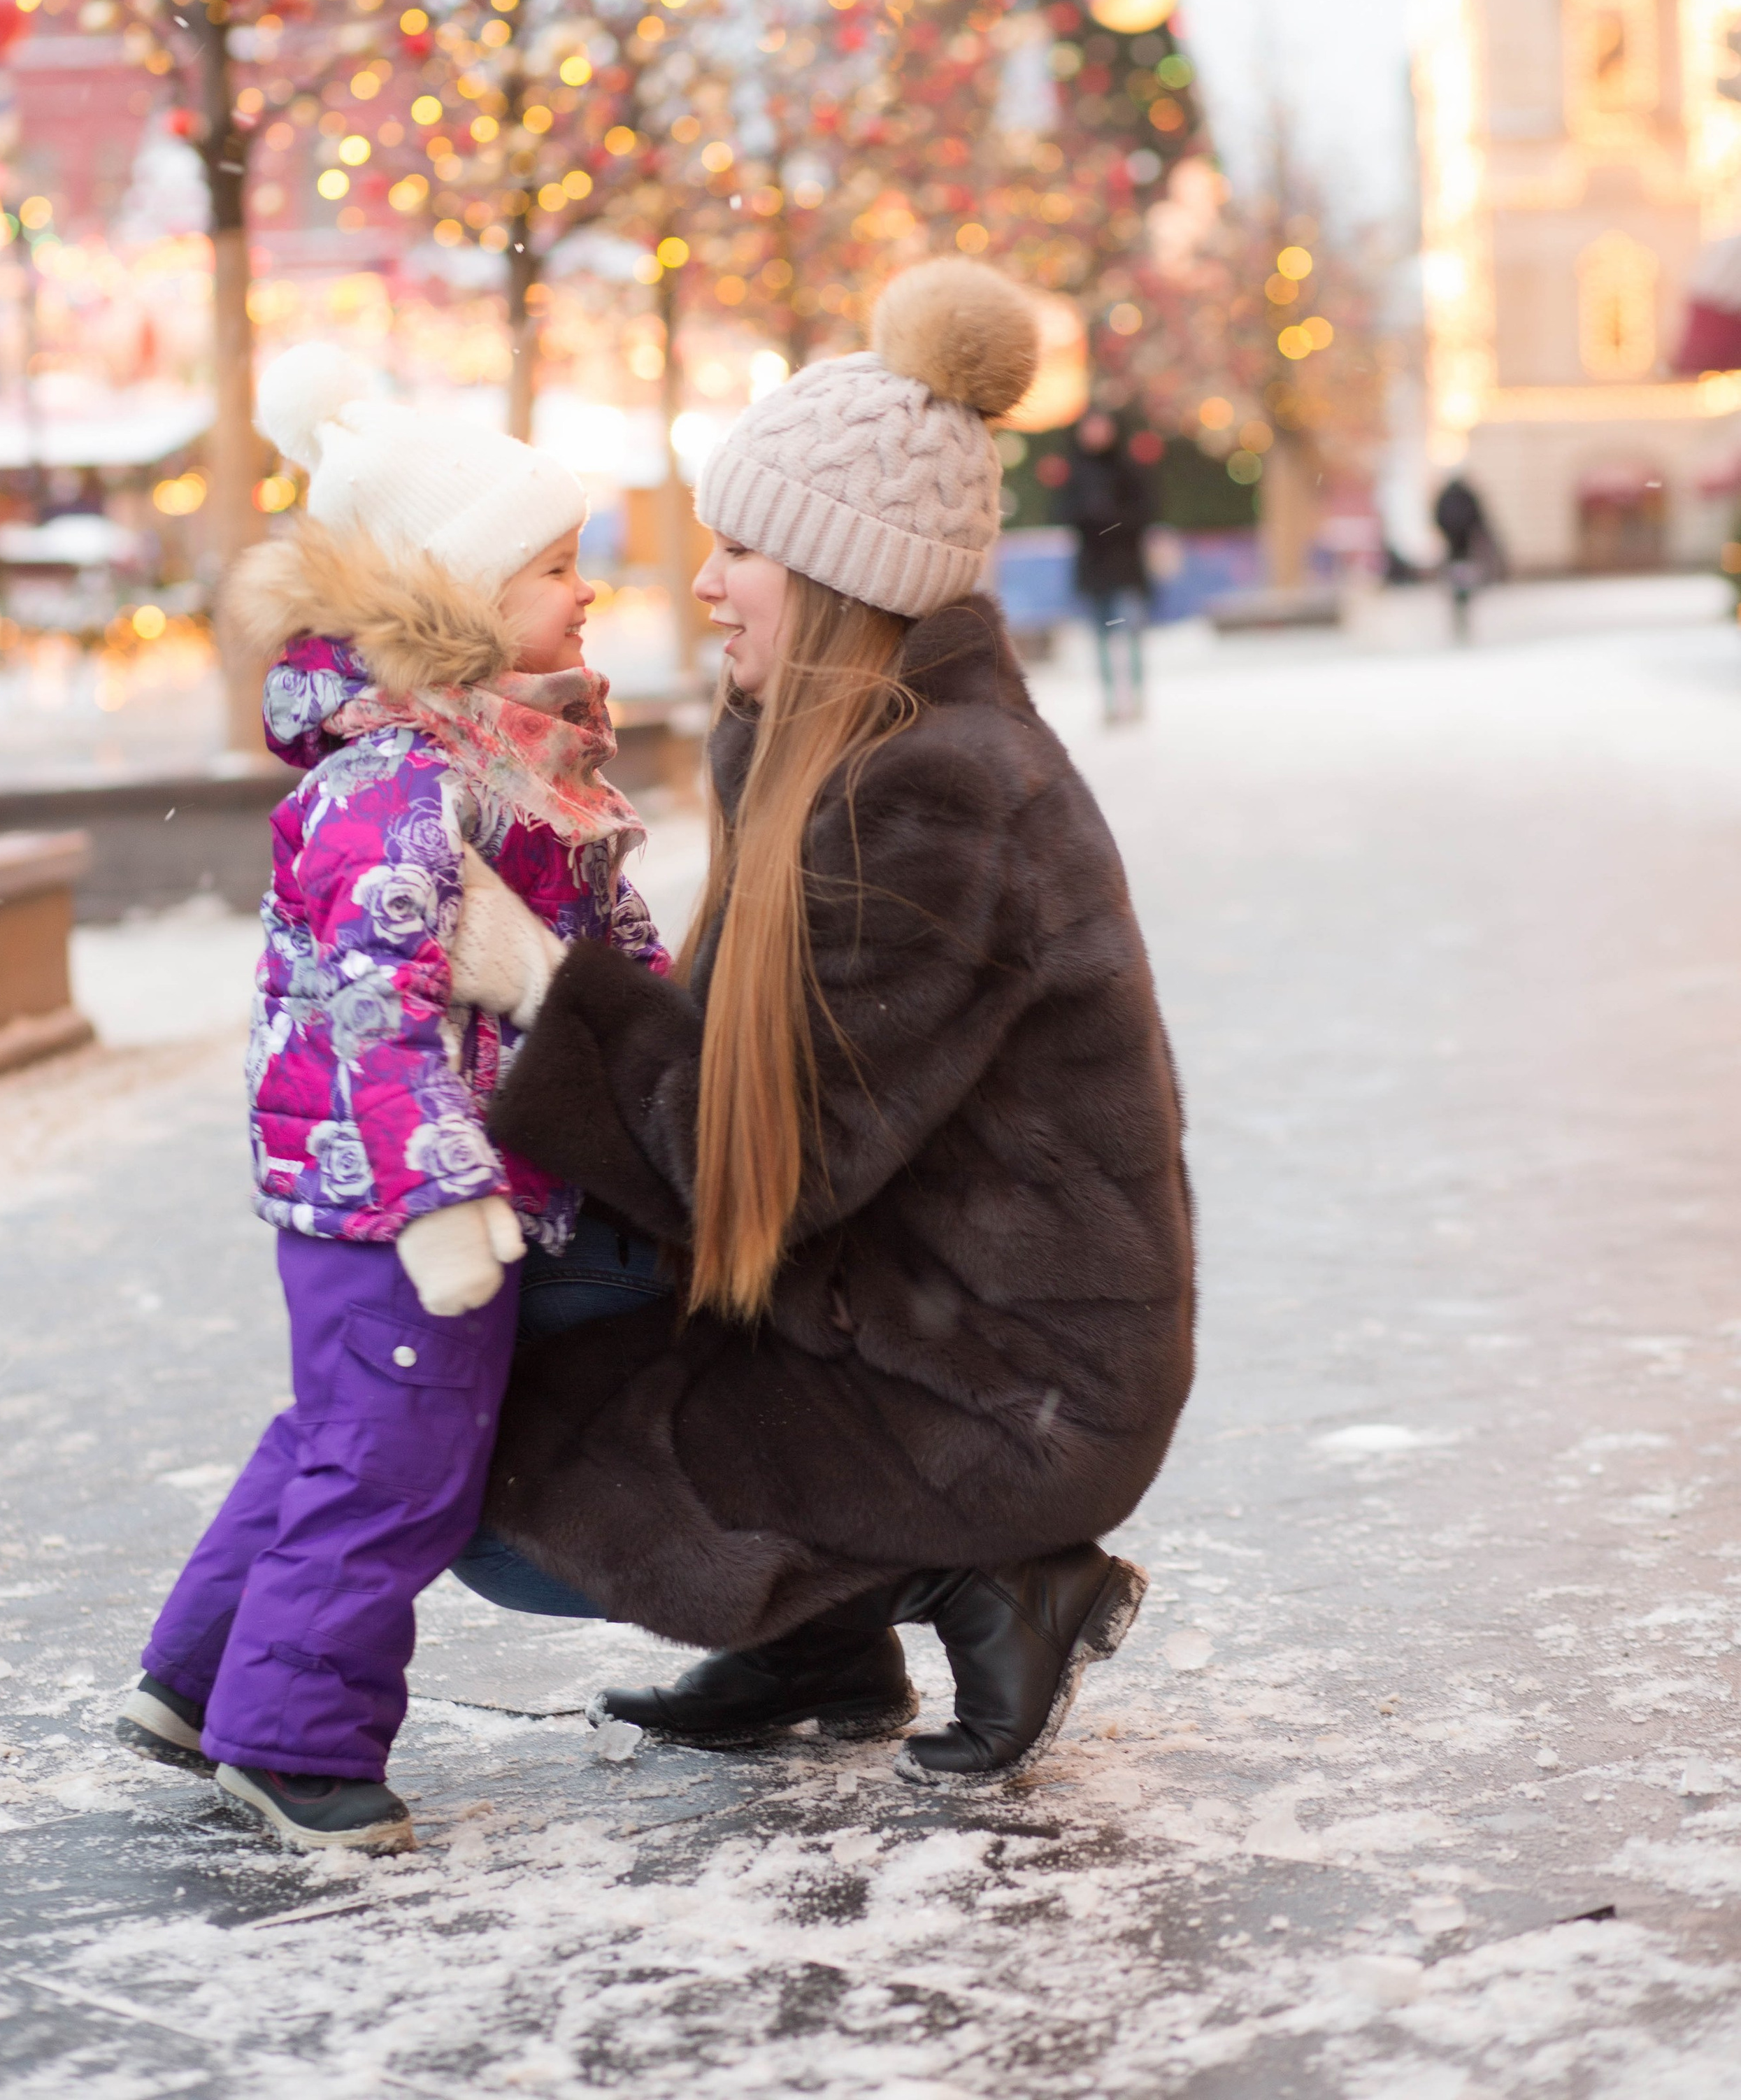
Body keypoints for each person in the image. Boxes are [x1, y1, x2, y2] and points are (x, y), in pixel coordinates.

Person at [471, 258, 1198, 1786]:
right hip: (919, 1322)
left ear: (835, 572)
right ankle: (819, 1639)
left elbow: (778, 1163)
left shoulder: (914, 799)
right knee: (514, 1368)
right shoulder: (843, 756)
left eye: (740, 546)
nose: (705, 578)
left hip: (1000, 1386)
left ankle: (992, 1578)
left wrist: (542, 983)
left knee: (492, 1476)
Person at [113, 344, 668, 1855]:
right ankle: (294, 1747)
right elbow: (368, 1017)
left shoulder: (519, 764)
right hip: (395, 1206)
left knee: (331, 1437)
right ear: (457, 601)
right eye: (553, 568)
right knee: (396, 1472)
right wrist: (435, 1195)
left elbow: (604, 947)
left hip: (437, 1190)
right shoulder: (391, 793)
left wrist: (668, 1033)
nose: (586, 590)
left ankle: (199, 1677)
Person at [1056, 408, 1156, 722]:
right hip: (1094, 569)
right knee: (1101, 638)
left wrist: (1111, 521)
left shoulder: (1128, 469)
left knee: (1131, 634)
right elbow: (1064, 514)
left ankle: (1136, 700)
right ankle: (1110, 703)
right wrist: (1090, 517)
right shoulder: (1076, 471)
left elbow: (1145, 511)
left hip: (1125, 567)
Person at [1433, 474, 1504, 642]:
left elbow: (1438, 518)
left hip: (1454, 549)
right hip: (1465, 549)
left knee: (1457, 582)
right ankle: (1463, 610)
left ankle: (1460, 612)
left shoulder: (1446, 497)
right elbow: (1479, 518)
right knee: (1464, 582)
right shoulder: (1467, 496)